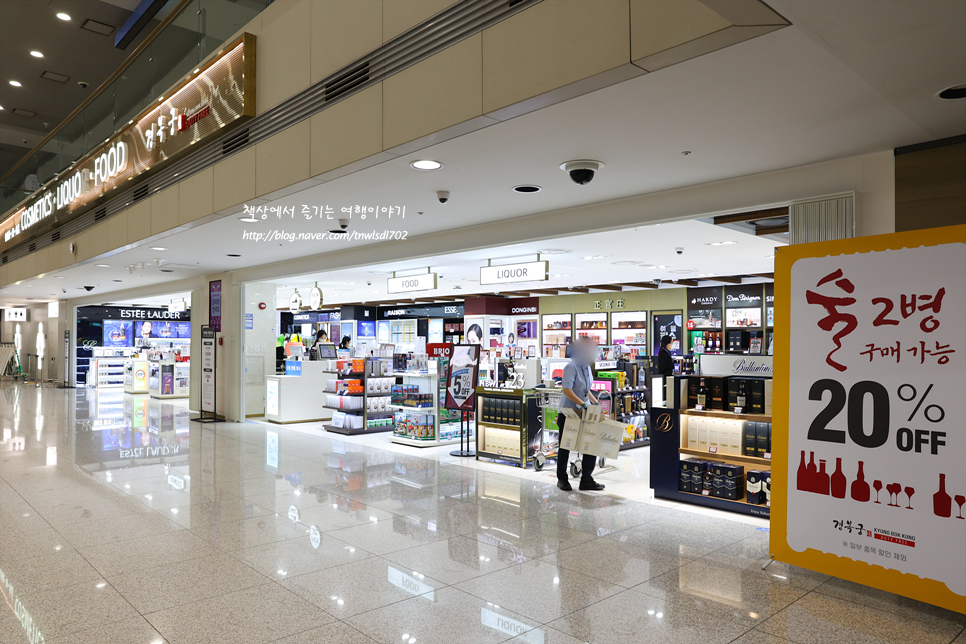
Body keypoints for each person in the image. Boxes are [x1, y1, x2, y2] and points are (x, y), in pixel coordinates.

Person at [556, 337, 604, 492]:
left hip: (584, 412)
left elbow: (586, 389)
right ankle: (562, 479)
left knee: (590, 445)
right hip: (569, 412)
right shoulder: (571, 367)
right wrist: (581, 403)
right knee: (566, 446)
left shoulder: (586, 367)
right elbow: (567, 390)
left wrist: (594, 402)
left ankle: (586, 479)